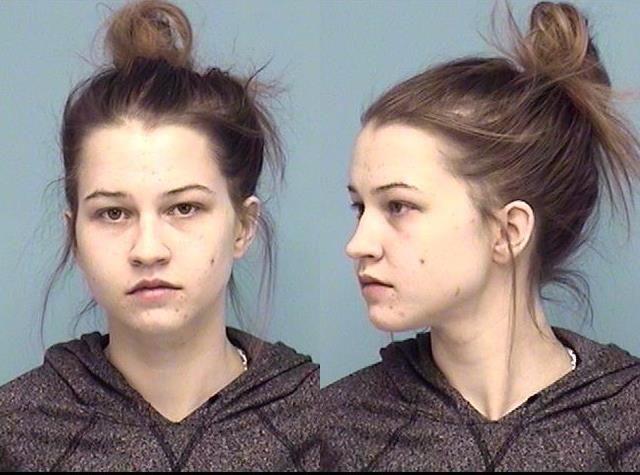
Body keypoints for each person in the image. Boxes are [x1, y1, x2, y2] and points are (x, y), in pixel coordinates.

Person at [321, 1, 640, 471]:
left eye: (398, 206)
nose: (358, 244)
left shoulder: (628, 420)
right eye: (359, 207)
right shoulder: (332, 430)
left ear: (508, 231)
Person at [0, 0, 318, 471]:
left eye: (184, 208)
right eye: (113, 213)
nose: (148, 249)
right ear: (75, 236)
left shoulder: (321, 420)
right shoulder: (16, 430)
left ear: (242, 226)